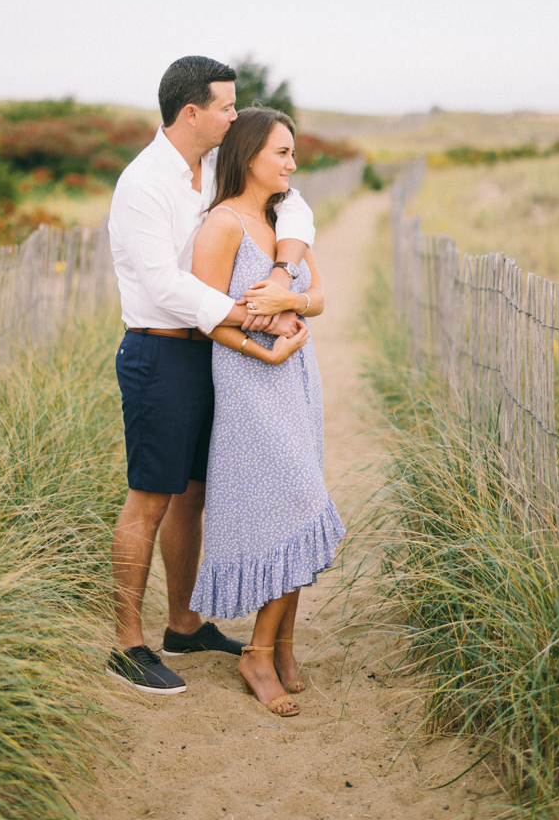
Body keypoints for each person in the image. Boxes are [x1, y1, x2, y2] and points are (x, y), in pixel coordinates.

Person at [106, 56, 315, 695]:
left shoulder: (211, 170)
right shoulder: (144, 183)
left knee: (194, 493)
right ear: (190, 111)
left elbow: (294, 207)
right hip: (159, 353)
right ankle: (126, 644)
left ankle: (183, 624)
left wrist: (281, 275)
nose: (234, 114)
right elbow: (163, 284)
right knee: (151, 496)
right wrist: (254, 316)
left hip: (210, 355)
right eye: (225, 106)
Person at [190, 108, 345, 717]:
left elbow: (320, 297)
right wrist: (267, 349)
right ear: (250, 154)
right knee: (300, 506)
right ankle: (256, 652)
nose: (292, 163)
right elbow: (207, 319)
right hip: (253, 382)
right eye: (282, 153)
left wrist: (291, 299)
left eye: (293, 153)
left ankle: (281, 647)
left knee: (297, 516)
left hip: (297, 380)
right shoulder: (222, 225)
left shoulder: (283, 218)